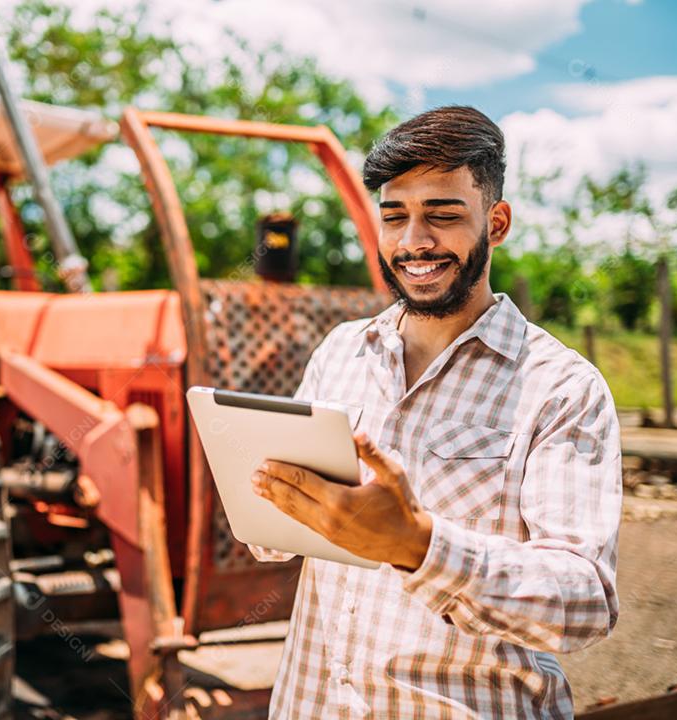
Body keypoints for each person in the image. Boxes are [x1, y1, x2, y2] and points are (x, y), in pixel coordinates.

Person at [249, 105, 622, 719]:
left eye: (442, 216)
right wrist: (264, 494)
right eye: (394, 217)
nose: (414, 242)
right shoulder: (341, 352)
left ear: (496, 223)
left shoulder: (562, 388)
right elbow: (276, 543)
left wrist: (419, 545)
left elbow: (584, 602)